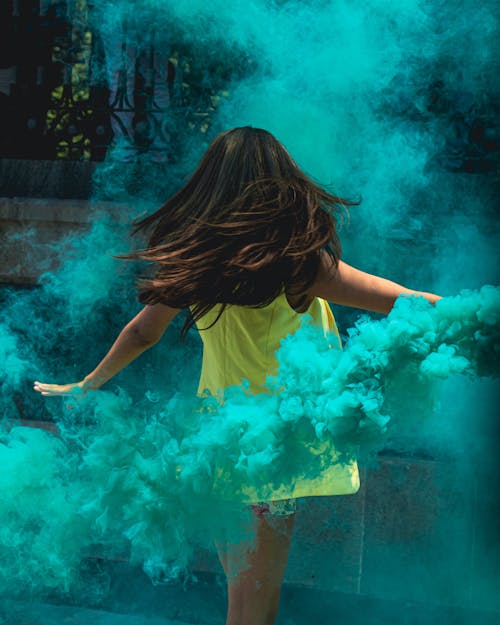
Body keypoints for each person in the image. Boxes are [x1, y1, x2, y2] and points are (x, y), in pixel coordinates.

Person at [34, 126, 441, 625]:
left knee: (242, 596)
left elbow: (143, 333)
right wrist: (471, 314)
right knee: (253, 608)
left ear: (211, 187)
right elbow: (402, 301)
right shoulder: (301, 266)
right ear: (281, 185)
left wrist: (89, 381)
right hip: (274, 451)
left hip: (220, 445)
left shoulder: (197, 264)